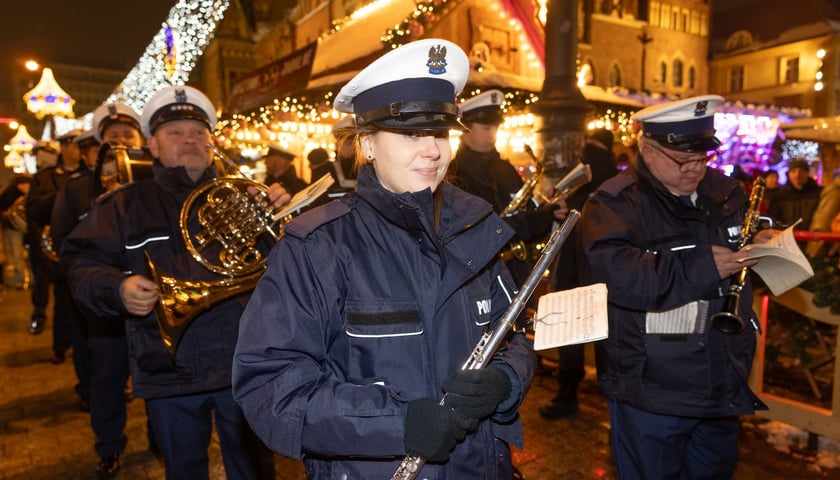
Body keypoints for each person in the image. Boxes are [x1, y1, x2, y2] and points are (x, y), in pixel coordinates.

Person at [232, 38, 535, 479]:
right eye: (411, 133)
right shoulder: (318, 246)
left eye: (441, 133)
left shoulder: (475, 228)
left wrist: (506, 381)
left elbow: (518, 334)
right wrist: (397, 423)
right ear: (367, 144)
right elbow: (269, 385)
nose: (432, 151)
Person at [61, 85, 282, 480]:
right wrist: (116, 288)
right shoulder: (123, 204)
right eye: (175, 133)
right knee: (183, 471)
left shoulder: (245, 196)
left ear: (212, 141)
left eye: (198, 132)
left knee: (255, 470)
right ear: (153, 145)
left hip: (242, 362)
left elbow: (282, 268)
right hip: (168, 366)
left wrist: (282, 219)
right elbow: (79, 262)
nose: (189, 141)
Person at [577, 95, 776, 479]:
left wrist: (767, 242)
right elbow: (619, 278)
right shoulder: (615, 203)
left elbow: (745, 242)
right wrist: (702, 267)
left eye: (704, 157)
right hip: (653, 392)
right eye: (684, 160)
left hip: (722, 383)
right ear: (647, 150)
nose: (696, 169)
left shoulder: (726, 192)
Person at [53, 103, 148, 479]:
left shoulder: (154, 184)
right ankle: (108, 447)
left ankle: (160, 437)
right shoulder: (77, 189)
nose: (121, 142)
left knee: (161, 379)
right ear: (100, 145)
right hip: (107, 309)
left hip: (156, 302)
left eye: (129, 135)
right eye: (113, 137)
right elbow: (67, 247)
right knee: (107, 381)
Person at [449, 88, 566, 286]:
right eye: (486, 127)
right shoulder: (455, 174)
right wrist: (534, 219)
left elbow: (524, 209)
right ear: (465, 128)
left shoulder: (505, 168)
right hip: (480, 278)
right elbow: (483, 230)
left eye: (495, 127)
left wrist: (546, 208)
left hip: (517, 274)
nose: (493, 134)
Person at [539, 127, 618, 419]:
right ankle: (612, 408)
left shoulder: (592, 173)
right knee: (604, 341)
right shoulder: (614, 177)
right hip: (603, 274)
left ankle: (567, 396)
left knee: (571, 337)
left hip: (576, 271)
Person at [26, 129, 85, 356]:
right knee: (64, 301)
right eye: (75, 145)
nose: (79, 150)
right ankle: (61, 346)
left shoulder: (90, 173)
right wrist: (65, 194)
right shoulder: (45, 177)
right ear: (65, 147)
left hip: (87, 247)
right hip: (58, 250)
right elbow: (34, 211)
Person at [767, 158, 822, 229]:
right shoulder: (779, 196)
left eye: (801, 171)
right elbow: (773, 220)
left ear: (807, 173)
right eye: (793, 171)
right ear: (789, 174)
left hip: (811, 237)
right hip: (786, 237)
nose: (797, 175)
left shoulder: (818, 193)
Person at [0, 174, 33, 289]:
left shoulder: (11, 192)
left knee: (21, 254)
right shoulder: (11, 193)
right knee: (20, 254)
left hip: (23, 227)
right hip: (16, 227)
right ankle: (24, 280)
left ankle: (24, 280)